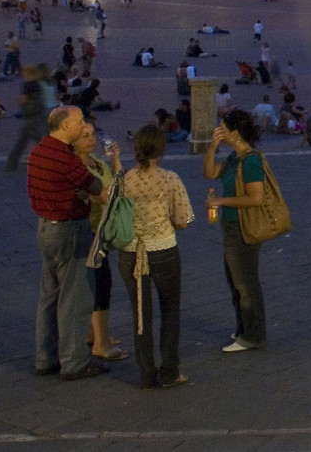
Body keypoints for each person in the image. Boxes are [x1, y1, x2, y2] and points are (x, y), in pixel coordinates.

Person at [27, 105, 111, 379]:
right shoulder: (65, 158)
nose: (83, 125)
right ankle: (73, 362)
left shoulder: (39, 150)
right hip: (69, 230)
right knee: (75, 298)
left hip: (45, 228)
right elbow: (96, 187)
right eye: (80, 121)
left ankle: (45, 358)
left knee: (49, 296)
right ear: (65, 126)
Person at [119, 122, 193, 389]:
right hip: (162, 249)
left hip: (130, 252)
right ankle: (170, 370)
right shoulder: (169, 179)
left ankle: (146, 374)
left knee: (141, 315)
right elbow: (183, 220)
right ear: (160, 150)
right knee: (170, 311)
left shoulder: (125, 178)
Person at [203, 110, 267, 352]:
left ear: (235, 132)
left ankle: (253, 335)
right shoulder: (233, 158)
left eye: (223, 128)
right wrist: (212, 147)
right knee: (235, 281)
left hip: (244, 227)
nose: (220, 131)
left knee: (245, 283)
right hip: (231, 227)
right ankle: (243, 329)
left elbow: (256, 198)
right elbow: (209, 173)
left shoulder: (250, 160)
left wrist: (221, 202)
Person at [74, 119, 128, 363]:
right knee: (100, 284)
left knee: (98, 282)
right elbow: (96, 196)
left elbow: (118, 183)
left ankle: (93, 333)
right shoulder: (75, 166)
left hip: (103, 229)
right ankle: (101, 343)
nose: (91, 139)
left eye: (93, 134)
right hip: (89, 230)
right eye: (85, 135)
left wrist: (115, 158)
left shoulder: (95, 160)